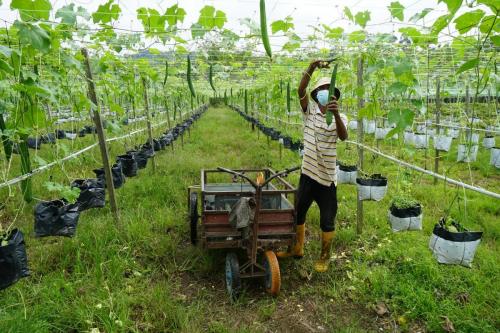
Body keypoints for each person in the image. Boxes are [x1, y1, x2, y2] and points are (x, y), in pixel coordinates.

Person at [277, 60, 348, 273]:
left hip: (326, 178)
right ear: (316, 94)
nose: (325, 92)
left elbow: (343, 137)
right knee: (298, 212)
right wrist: (312, 67)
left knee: (327, 219)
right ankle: (297, 248)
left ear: (334, 95)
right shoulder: (309, 112)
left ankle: (324, 256)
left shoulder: (340, 117)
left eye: (330, 90)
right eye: (321, 90)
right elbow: (300, 90)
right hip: (308, 173)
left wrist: (335, 114)